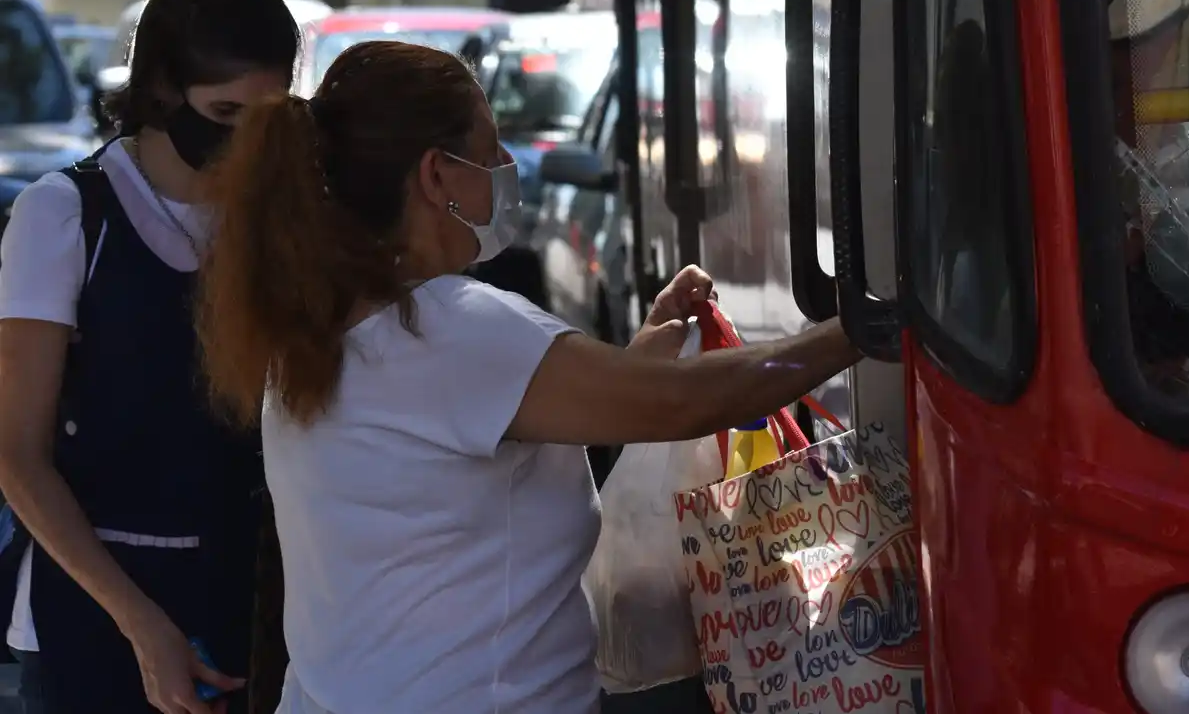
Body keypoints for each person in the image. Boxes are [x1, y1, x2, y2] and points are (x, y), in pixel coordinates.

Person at [194, 39, 862, 714]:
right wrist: (857, 329)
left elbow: (496, 429)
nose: (505, 170)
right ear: (436, 175)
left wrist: (637, 362)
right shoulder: (450, 328)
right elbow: (684, 404)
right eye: (488, 153)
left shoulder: (318, 331)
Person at [0, 0, 301, 714]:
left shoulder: (277, 219)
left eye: (267, 118)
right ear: (163, 88)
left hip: (244, 601)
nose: (245, 141)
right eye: (226, 114)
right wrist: (143, 627)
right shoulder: (66, 214)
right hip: (91, 611)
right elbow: (16, 455)